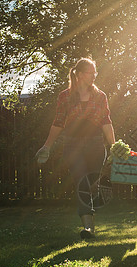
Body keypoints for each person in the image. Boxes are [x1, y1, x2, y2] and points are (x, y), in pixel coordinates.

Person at [36, 57, 115, 239]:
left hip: (95, 145)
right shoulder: (65, 96)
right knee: (82, 182)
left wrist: (113, 146)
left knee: (92, 184)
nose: (94, 76)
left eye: (95, 72)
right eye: (90, 72)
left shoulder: (100, 96)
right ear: (79, 74)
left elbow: (106, 122)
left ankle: (91, 221)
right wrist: (47, 146)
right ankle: (88, 228)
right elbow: (58, 123)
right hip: (73, 145)